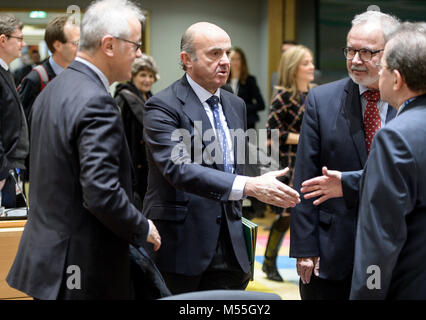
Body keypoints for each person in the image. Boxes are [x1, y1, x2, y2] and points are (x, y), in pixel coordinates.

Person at [7, 0, 161, 300]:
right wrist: (141, 225)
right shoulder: (96, 101)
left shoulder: (55, 87)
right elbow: (101, 192)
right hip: (81, 263)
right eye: (136, 45)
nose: (140, 53)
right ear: (109, 45)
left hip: (50, 260)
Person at [143, 21, 300, 294]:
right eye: (214, 54)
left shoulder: (234, 103)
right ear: (186, 60)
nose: (225, 61)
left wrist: (267, 177)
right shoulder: (163, 106)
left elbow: (232, 158)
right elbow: (178, 168)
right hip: (182, 245)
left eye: (227, 53)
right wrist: (249, 186)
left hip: (231, 244)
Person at [289, 10, 399, 300]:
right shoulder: (322, 100)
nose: (355, 60)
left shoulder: (410, 103)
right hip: (331, 249)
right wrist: (304, 248)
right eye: (350, 50)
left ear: (391, 52)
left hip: (394, 248)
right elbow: (305, 177)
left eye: (366, 52)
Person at [349, 22, 426, 299]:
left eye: (381, 69)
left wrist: (366, 294)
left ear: (396, 79)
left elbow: (379, 242)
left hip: (415, 287)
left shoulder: (395, 137)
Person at [263, 45, 315, 282]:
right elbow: (272, 134)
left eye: (311, 62)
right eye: (306, 63)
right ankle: (269, 261)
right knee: (286, 213)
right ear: (294, 69)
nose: (312, 67)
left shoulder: (314, 94)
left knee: (303, 213)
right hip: (289, 162)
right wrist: (304, 137)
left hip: (311, 160)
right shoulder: (283, 96)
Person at [114, 54, 159, 209]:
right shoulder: (123, 99)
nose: (147, 80)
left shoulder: (152, 100)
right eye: (142, 75)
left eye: (150, 75)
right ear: (133, 76)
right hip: (132, 165)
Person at [19, 14, 80, 121]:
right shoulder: (36, 80)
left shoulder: (79, 76)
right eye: (75, 43)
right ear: (58, 45)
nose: (79, 48)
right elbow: (23, 125)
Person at [0, 13, 29, 208]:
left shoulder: (5, 70)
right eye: (19, 38)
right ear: (3, 40)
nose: (23, 43)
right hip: (4, 169)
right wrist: (1, 171)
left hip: (12, 168)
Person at [227, 47, 265, 129]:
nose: (235, 62)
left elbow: (261, 105)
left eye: (238, 59)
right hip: (228, 122)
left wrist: (242, 107)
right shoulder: (223, 81)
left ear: (242, 61)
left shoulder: (250, 80)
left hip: (246, 123)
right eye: (232, 59)